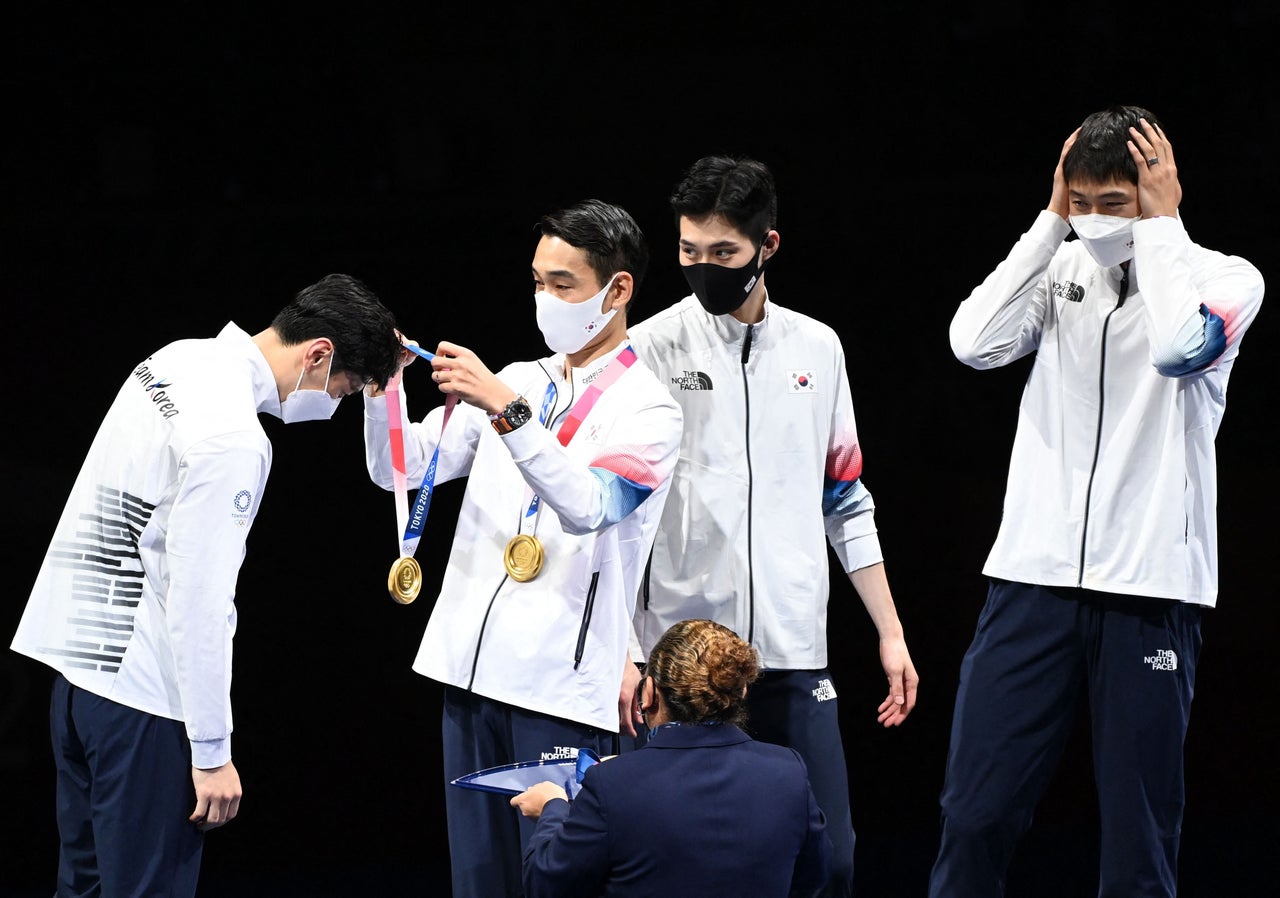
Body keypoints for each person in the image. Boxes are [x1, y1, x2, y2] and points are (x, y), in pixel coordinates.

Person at [929, 105, 1265, 898]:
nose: (1095, 222)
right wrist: (1050, 224)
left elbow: (1182, 350)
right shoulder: (1062, 266)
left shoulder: (1226, 279)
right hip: (1031, 579)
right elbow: (971, 342)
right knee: (973, 815)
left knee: (1139, 837)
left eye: (1112, 204)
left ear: (1156, 191)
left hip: (1150, 588)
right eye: (1081, 202)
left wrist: (1163, 228)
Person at [11, 273, 402, 897]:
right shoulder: (235, 441)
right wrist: (212, 750)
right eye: (345, 388)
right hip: (144, 701)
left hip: (76, 685)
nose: (332, 405)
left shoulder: (173, 359)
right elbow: (201, 600)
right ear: (318, 353)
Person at [362, 199, 683, 897]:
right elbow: (400, 470)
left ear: (617, 289)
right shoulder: (524, 379)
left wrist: (505, 411)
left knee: (557, 881)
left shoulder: (651, 410)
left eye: (563, 284)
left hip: (559, 691)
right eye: (537, 282)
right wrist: (379, 387)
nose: (545, 299)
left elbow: (589, 505)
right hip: (469, 676)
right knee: (480, 883)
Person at [624, 154, 918, 897]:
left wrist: (889, 631)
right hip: (683, 663)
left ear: (768, 246)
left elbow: (845, 499)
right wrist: (629, 651)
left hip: (793, 653)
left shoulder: (819, 349)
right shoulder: (649, 349)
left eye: (723, 253)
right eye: (689, 253)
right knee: (688, 869)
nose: (703, 269)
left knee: (832, 863)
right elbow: (614, 518)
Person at [511, 617, 831, 897]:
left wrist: (553, 808)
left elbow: (546, 885)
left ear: (648, 692)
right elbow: (814, 875)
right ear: (741, 693)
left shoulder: (611, 785)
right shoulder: (788, 773)